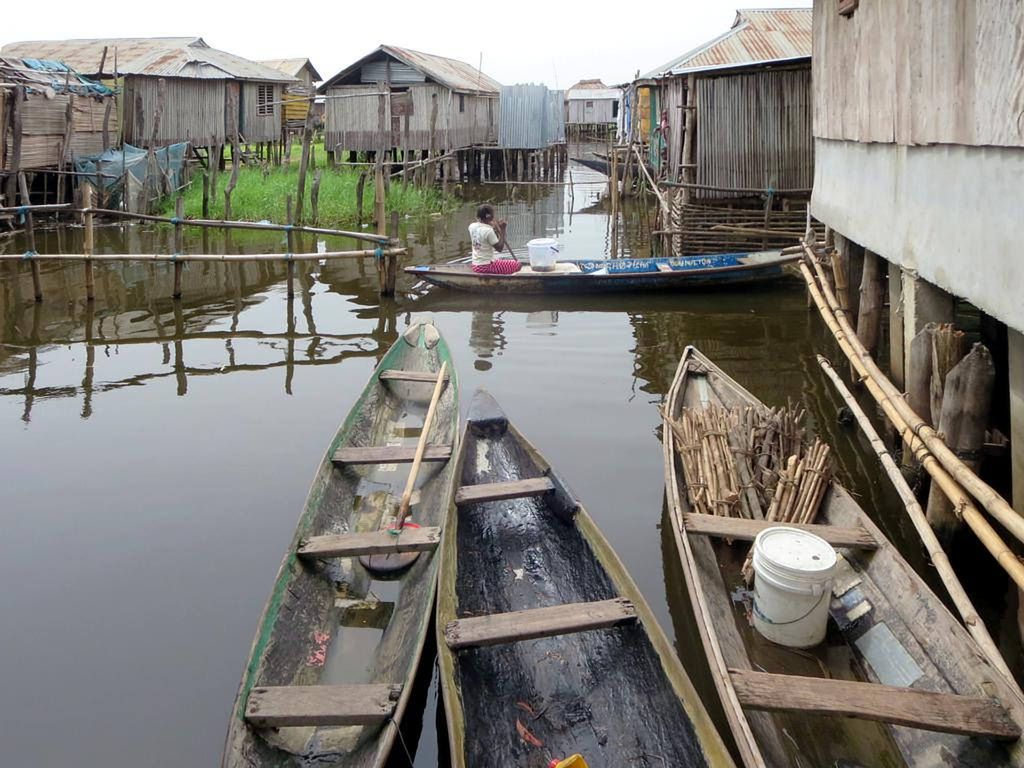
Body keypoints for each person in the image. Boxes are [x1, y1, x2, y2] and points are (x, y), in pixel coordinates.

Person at [469, 204, 521, 274]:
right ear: (490, 217)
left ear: (478, 216)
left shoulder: (472, 226)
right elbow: (500, 248)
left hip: (475, 265)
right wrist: (503, 229)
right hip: (486, 267)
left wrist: (493, 229)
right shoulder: (488, 231)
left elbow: (484, 237)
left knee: (499, 260)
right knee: (518, 265)